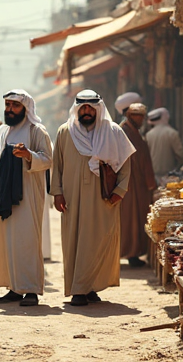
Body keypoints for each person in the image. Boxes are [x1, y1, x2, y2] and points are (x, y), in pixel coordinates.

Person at [50, 89, 135, 307]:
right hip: (72, 197)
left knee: (99, 241)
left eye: (91, 107)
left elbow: (125, 164)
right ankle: (79, 289)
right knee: (75, 242)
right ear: (77, 108)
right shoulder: (65, 132)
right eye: (82, 107)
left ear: (98, 108)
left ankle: (90, 286)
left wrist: (120, 191)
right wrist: (57, 192)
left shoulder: (113, 131)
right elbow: (57, 166)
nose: (86, 111)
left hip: (103, 199)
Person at [0, 90, 53, 306]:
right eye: (7, 105)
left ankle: (30, 290)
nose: (10, 109)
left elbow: (48, 159)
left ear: (26, 108)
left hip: (27, 195)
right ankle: (13, 287)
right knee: (6, 242)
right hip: (3, 193)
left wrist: (28, 155)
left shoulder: (36, 130)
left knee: (26, 241)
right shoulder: (2, 131)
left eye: (15, 105)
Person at [119, 103, 157, 268]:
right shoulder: (124, 131)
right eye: (136, 115)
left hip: (137, 182)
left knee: (136, 217)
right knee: (130, 219)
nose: (139, 119)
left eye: (141, 116)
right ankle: (130, 253)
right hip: (129, 182)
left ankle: (133, 252)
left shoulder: (133, 131)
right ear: (129, 116)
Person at [145, 108, 183, 185]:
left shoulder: (148, 135)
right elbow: (180, 154)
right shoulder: (172, 133)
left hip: (153, 174)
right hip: (170, 175)